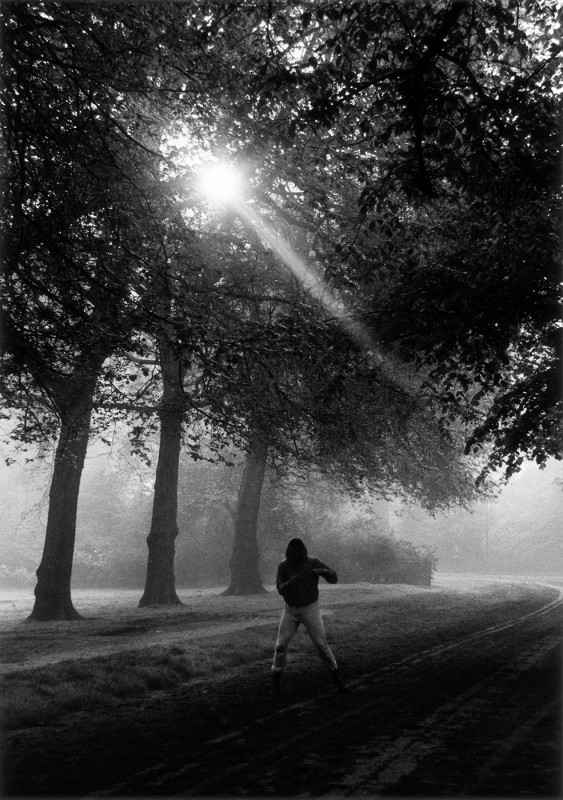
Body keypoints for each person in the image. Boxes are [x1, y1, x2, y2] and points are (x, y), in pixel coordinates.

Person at [271, 537, 347, 694]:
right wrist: (291, 582)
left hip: (310, 608)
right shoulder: (283, 565)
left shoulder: (313, 562)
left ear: (304, 552)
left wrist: (323, 572)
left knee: (321, 644)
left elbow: (334, 578)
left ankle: (336, 678)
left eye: (299, 552)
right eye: (294, 552)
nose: (296, 555)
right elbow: (280, 589)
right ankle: (275, 685)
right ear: (289, 553)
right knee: (280, 646)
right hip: (290, 609)